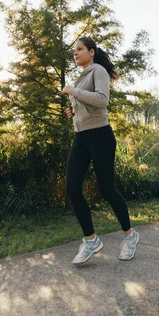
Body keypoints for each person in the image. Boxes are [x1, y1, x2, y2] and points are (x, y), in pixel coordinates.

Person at [62, 37, 139, 265]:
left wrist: (74, 92)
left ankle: (129, 235)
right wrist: (72, 111)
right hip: (81, 137)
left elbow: (102, 100)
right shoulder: (81, 76)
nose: (75, 53)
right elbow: (87, 104)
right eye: (74, 50)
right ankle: (91, 240)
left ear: (92, 52)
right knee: (72, 188)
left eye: (80, 49)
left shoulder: (99, 71)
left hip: (101, 136)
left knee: (107, 189)